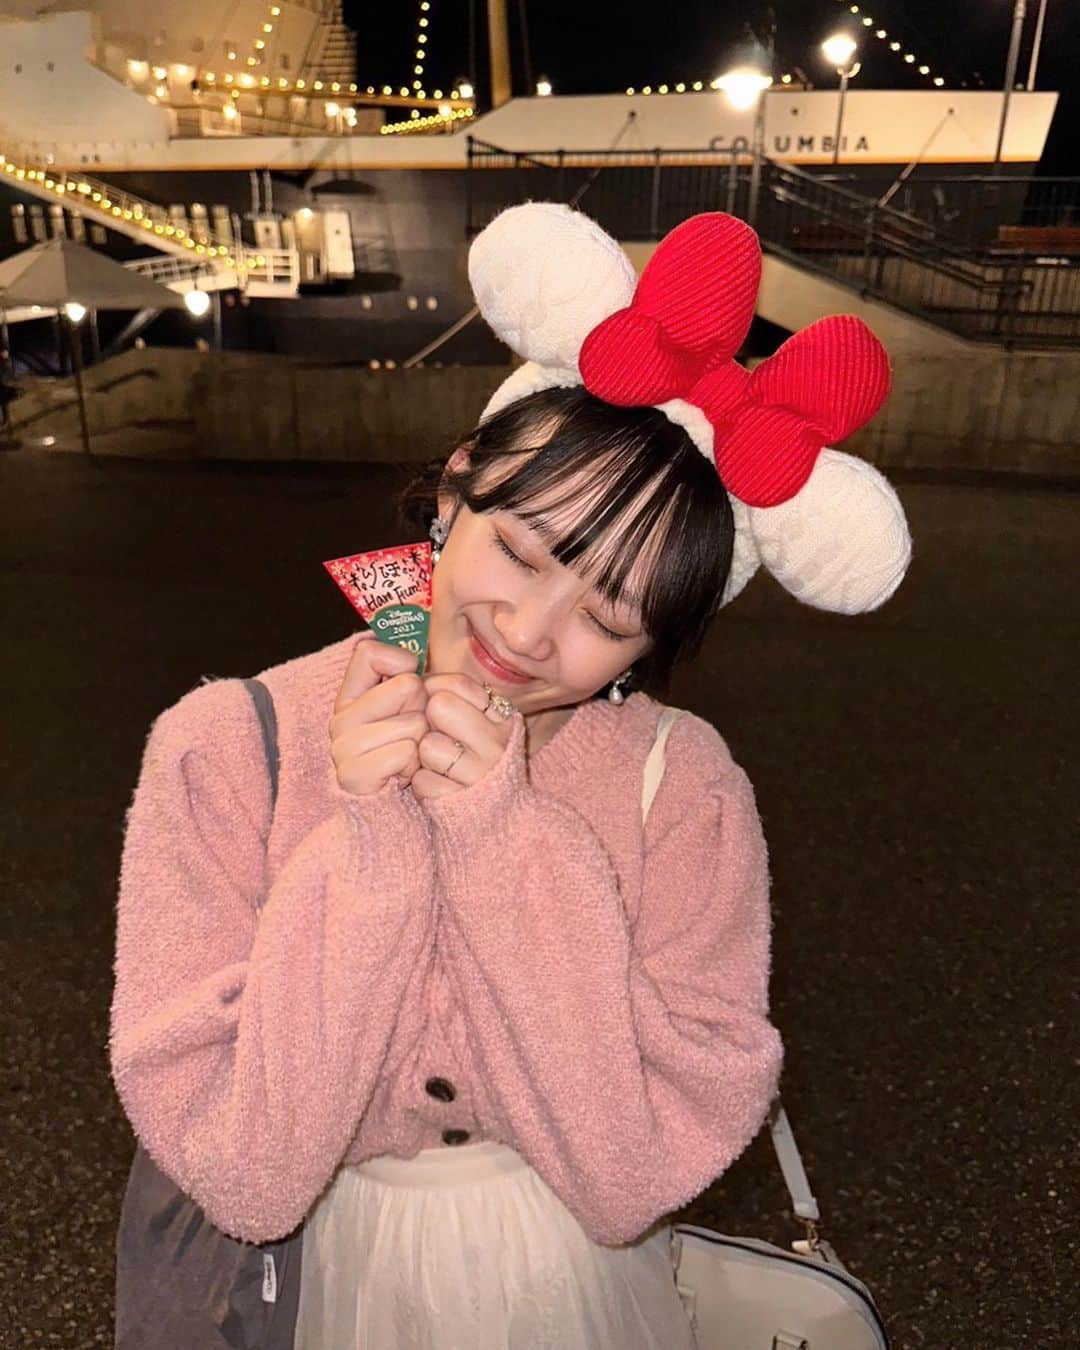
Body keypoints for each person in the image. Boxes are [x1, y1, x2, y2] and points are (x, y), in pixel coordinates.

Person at [109, 206, 911, 1348]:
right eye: (521, 553)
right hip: (299, 1286)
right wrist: (369, 843)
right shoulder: (227, 746)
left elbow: (629, 1182)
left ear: (661, 644)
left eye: (610, 619)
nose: (527, 635)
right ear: (453, 493)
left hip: (567, 1278)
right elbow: (249, 1178)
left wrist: (501, 838)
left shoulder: (685, 789)